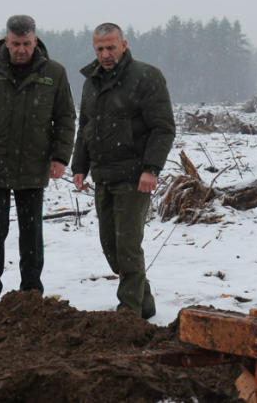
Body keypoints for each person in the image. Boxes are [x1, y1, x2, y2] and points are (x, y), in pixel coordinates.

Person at [0, 15, 76, 302]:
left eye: (26, 44)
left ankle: (31, 292)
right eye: (15, 44)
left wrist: (60, 156)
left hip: (34, 164)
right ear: (6, 41)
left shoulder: (54, 73)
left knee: (31, 229)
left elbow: (65, 118)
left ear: (35, 41)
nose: (21, 50)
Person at [72, 23, 175, 319]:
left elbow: (163, 127)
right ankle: (145, 301)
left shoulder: (145, 76)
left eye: (111, 47)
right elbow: (86, 127)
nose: (105, 54)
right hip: (103, 176)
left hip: (134, 178)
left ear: (124, 44)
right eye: (99, 49)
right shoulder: (91, 82)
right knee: (112, 248)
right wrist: (79, 166)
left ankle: (128, 312)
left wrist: (151, 169)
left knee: (127, 244)